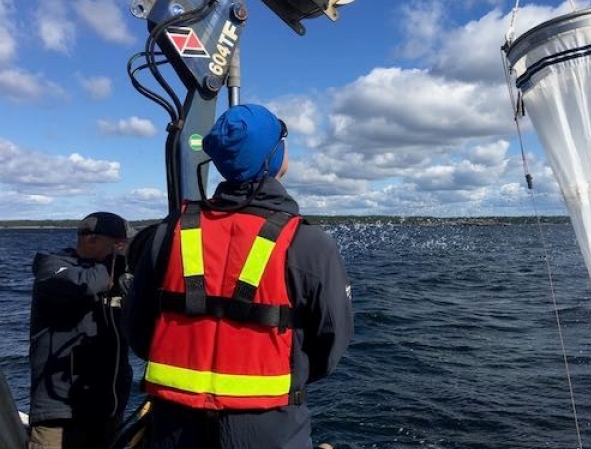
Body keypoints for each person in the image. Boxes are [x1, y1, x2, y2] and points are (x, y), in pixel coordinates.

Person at [123, 104, 353, 449]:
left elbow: (138, 330)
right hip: (268, 429)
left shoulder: (168, 233)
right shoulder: (308, 243)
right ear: (273, 155)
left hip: (174, 425)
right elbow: (329, 346)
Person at [28, 212, 135, 449]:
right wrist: (114, 263)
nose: (124, 252)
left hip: (108, 408)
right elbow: (84, 285)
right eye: (119, 245)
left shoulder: (117, 275)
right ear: (91, 240)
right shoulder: (52, 266)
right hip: (61, 410)